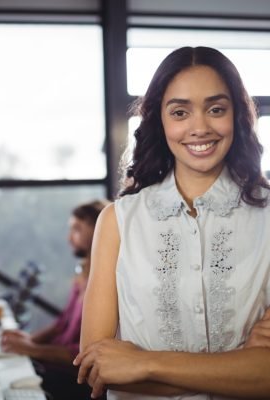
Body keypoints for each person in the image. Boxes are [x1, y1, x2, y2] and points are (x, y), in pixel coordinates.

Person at [73, 46, 270, 399]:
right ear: (158, 120)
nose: (199, 127)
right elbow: (98, 368)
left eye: (216, 109)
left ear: (236, 115)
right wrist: (241, 366)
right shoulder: (117, 222)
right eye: (180, 112)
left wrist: (145, 363)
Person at [1, 199, 109, 400]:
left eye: (77, 229)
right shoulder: (82, 276)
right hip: (55, 364)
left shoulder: (107, 281)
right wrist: (29, 339)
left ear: (98, 230)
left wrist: (33, 349)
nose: (69, 238)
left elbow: (83, 354)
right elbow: (61, 324)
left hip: (74, 379)